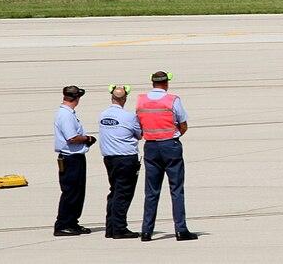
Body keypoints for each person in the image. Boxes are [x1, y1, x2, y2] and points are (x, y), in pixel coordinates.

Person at [135, 71, 197, 241]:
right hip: (170, 145)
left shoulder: (141, 100)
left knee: (151, 191)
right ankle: (180, 229)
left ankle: (146, 231)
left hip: (151, 146)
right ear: (166, 83)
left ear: (152, 83)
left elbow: (138, 124)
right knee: (176, 189)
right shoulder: (172, 100)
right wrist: (174, 135)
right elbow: (183, 124)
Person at [98, 85, 143, 239]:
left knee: (114, 191)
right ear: (124, 99)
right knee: (123, 194)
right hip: (125, 159)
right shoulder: (129, 117)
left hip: (109, 159)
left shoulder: (103, 115)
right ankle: (119, 228)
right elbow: (139, 134)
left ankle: (110, 227)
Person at [53, 85, 96, 236]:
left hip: (75, 157)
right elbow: (72, 137)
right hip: (70, 158)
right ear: (76, 98)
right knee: (70, 192)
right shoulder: (65, 115)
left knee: (77, 192)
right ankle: (62, 224)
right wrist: (87, 139)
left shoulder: (69, 113)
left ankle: (72, 222)